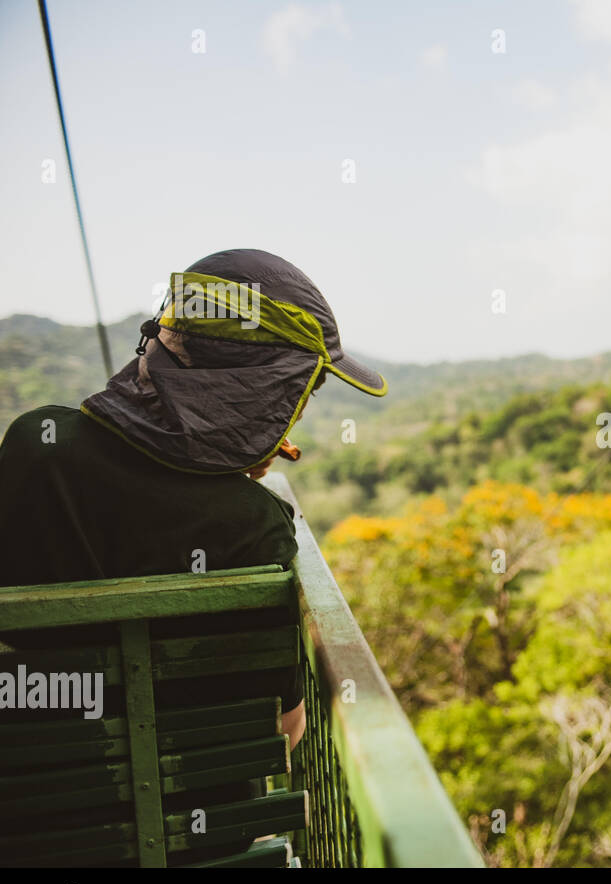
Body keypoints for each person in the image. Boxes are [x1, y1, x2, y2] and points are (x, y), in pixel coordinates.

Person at [0, 249, 388, 754]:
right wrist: (224, 481)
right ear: (263, 394)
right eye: (299, 395)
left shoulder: (35, 444)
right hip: (195, 824)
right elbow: (281, 731)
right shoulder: (254, 527)